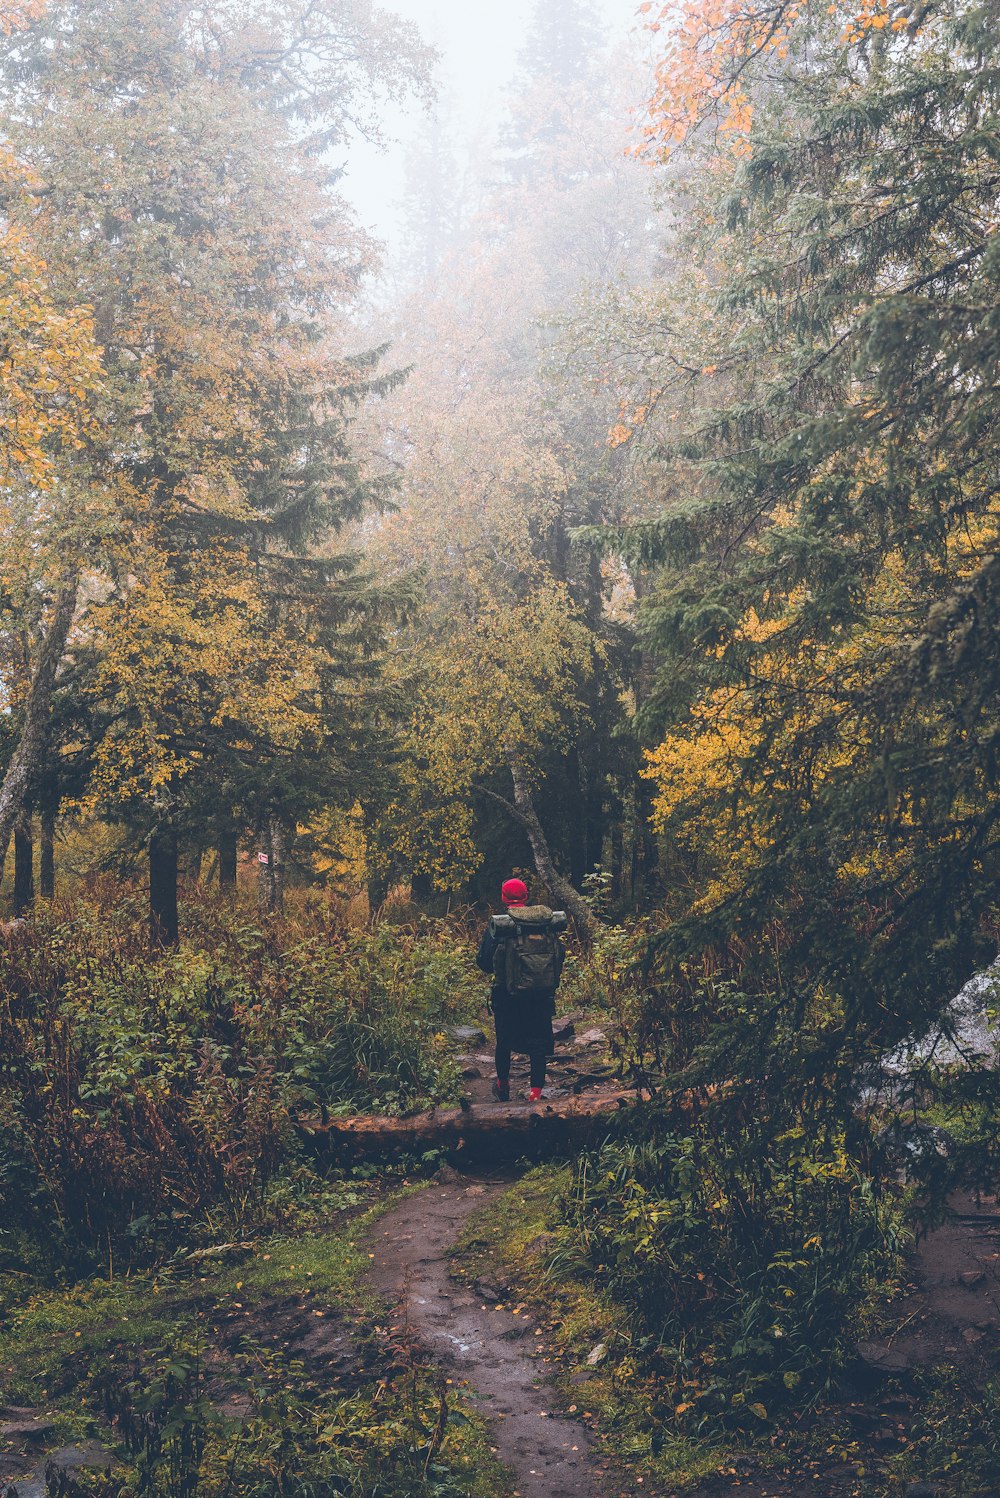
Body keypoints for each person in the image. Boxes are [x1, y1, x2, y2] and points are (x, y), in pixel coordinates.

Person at [476, 877, 565, 1103]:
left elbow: (485, 962)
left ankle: (503, 1086)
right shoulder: (545, 924)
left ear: (504, 898)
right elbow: (559, 956)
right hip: (540, 997)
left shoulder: (500, 926)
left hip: (507, 997)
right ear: (526, 897)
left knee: (504, 1042)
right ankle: (535, 1094)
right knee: (537, 1045)